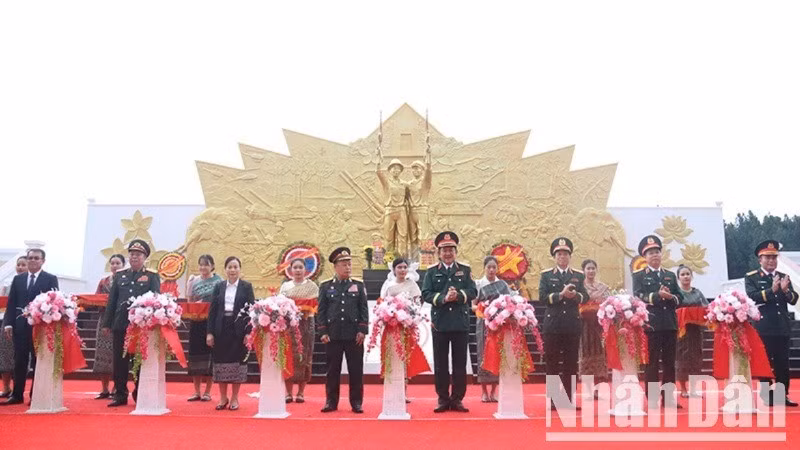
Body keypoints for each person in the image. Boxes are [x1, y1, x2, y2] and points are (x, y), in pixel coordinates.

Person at [422, 231, 477, 413]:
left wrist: (459, 296)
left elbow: (472, 292)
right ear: (439, 253)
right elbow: (426, 294)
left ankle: (458, 399)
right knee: (441, 363)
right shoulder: (431, 272)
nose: (447, 253)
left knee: (460, 363)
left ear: (456, 251)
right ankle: (443, 398)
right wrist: (444, 298)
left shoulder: (465, 270)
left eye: (451, 249)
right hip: (441, 323)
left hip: (460, 323)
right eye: (444, 250)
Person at [104, 239, 161, 407]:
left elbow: (156, 300)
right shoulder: (120, 275)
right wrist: (107, 323)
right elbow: (112, 301)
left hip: (140, 326)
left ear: (145, 257)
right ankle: (120, 393)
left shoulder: (151, 276)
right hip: (121, 323)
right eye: (132, 254)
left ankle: (139, 391)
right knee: (119, 360)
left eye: (138, 254)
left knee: (138, 360)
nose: (134, 257)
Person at [1, 248, 59, 405]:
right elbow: (12, 303)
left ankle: (36, 394)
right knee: (19, 361)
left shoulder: (50, 279)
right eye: (30, 258)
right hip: (20, 326)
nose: (32, 260)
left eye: (36, 258)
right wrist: (8, 324)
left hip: (39, 327)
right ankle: (17, 394)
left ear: (42, 261)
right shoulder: (18, 279)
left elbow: (54, 303)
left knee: (37, 361)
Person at [632, 235, 683, 409]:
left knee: (669, 363)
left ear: (661, 254)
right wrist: (656, 296)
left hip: (669, 324)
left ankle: (668, 398)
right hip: (651, 325)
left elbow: (680, 298)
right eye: (650, 253)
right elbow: (638, 296)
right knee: (651, 363)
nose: (654, 255)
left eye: (657, 252)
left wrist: (671, 297)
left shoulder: (669, 275)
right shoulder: (639, 275)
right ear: (644, 257)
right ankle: (652, 398)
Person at [745, 239, 798, 407]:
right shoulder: (752, 277)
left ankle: (783, 395)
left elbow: (794, 299)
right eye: (767, 257)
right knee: (765, 362)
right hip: (764, 327)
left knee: (783, 363)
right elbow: (752, 296)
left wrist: (785, 290)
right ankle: (767, 396)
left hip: (782, 326)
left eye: (774, 257)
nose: (771, 261)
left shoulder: (783, 277)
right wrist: (771, 290)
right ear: (760, 259)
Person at [317, 247, 369, 413]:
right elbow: (322, 311)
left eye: (349, 264)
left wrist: (362, 330)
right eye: (344, 264)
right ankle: (331, 402)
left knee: (356, 370)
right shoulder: (326, 287)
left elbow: (364, 310)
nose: (348, 267)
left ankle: (356, 402)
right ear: (335, 266)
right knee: (332, 370)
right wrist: (323, 331)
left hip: (354, 335)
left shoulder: (358, 286)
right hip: (333, 335)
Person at [538, 238, 588, 409]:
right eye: (559, 254)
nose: (562, 257)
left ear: (570, 256)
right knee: (552, 364)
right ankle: (553, 400)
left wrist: (574, 296)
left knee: (570, 364)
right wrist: (560, 295)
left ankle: (567, 399)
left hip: (572, 326)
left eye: (565, 254)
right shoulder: (546, 275)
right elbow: (543, 297)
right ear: (554, 256)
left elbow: (585, 297)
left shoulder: (578, 275)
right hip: (553, 325)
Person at [207, 256, 254, 411]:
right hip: (221, 329)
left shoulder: (246, 287)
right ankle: (222, 397)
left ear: (240, 269)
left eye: (235, 267)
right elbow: (212, 311)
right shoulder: (219, 286)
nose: (233, 270)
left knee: (237, 364)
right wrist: (210, 333)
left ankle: (234, 398)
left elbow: (251, 311)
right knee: (220, 364)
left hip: (238, 330)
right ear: (225, 269)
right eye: (230, 267)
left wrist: (249, 333)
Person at [379, 257, 422, 403]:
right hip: (392, 327)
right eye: (399, 267)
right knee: (392, 357)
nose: (402, 270)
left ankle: (403, 393)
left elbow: (417, 305)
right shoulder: (389, 286)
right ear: (394, 270)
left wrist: (409, 316)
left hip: (406, 327)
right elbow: (383, 304)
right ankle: (391, 391)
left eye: (405, 267)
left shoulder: (412, 285)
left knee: (405, 359)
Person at [280, 258, 318, 404]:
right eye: (295, 267)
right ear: (290, 269)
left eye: (300, 267)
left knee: (305, 357)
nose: (297, 270)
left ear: (305, 269)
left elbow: (315, 306)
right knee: (289, 356)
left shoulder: (312, 287)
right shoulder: (285, 287)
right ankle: (288, 393)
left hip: (306, 325)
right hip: (289, 326)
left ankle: (301, 393)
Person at [473, 255, 511, 403]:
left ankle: (494, 391)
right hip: (483, 324)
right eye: (488, 267)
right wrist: (485, 308)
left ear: (497, 268)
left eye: (494, 267)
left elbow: (509, 302)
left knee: (497, 355)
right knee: (483, 355)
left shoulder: (502, 285)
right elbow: (473, 305)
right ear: (484, 268)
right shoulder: (478, 284)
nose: (491, 270)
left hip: (499, 324)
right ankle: (483, 391)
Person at [186, 254, 221, 402]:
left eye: (206, 264)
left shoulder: (219, 282)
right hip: (196, 322)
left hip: (211, 323)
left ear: (212, 266)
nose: (203, 268)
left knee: (209, 357)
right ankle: (196, 391)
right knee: (195, 356)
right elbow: (190, 301)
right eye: (201, 265)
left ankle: (207, 392)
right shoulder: (194, 281)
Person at [93, 253, 126, 400]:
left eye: (118, 263)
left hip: (119, 321)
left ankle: (116, 387)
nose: (114, 266)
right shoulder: (104, 282)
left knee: (117, 356)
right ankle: (104, 388)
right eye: (112, 263)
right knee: (102, 355)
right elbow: (96, 299)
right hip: (104, 320)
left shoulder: (125, 281)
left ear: (123, 265)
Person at [675, 264, 707, 398]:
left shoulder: (697, 293)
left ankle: (693, 389)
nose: (685, 276)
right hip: (681, 331)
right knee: (682, 358)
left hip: (696, 330)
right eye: (682, 274)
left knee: (696, 358)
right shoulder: (676, 293)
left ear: (692, 276)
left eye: (688, 274)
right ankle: (683, 389)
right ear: (678, 278)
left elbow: (706, 307)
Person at [580, 259, 609, 396]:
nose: (590, 271)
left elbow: (608, 304)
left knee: (600, 354)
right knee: (585, 353)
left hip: (599, 324)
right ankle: (587, 388)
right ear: (583, 271)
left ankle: (598, 388)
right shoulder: (579, 287)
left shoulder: (603, 287)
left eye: (593, 268)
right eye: (588, 268)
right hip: (584, 324)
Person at [0, 256, 26, 398]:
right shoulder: (8, 283)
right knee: (5, 355)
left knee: (20, 357)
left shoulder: (32, 283)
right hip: (7, 321)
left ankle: (18, 389)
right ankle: (5, 387)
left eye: (24, 265)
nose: (20, 267)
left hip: (24, 322)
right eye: (19, 264)